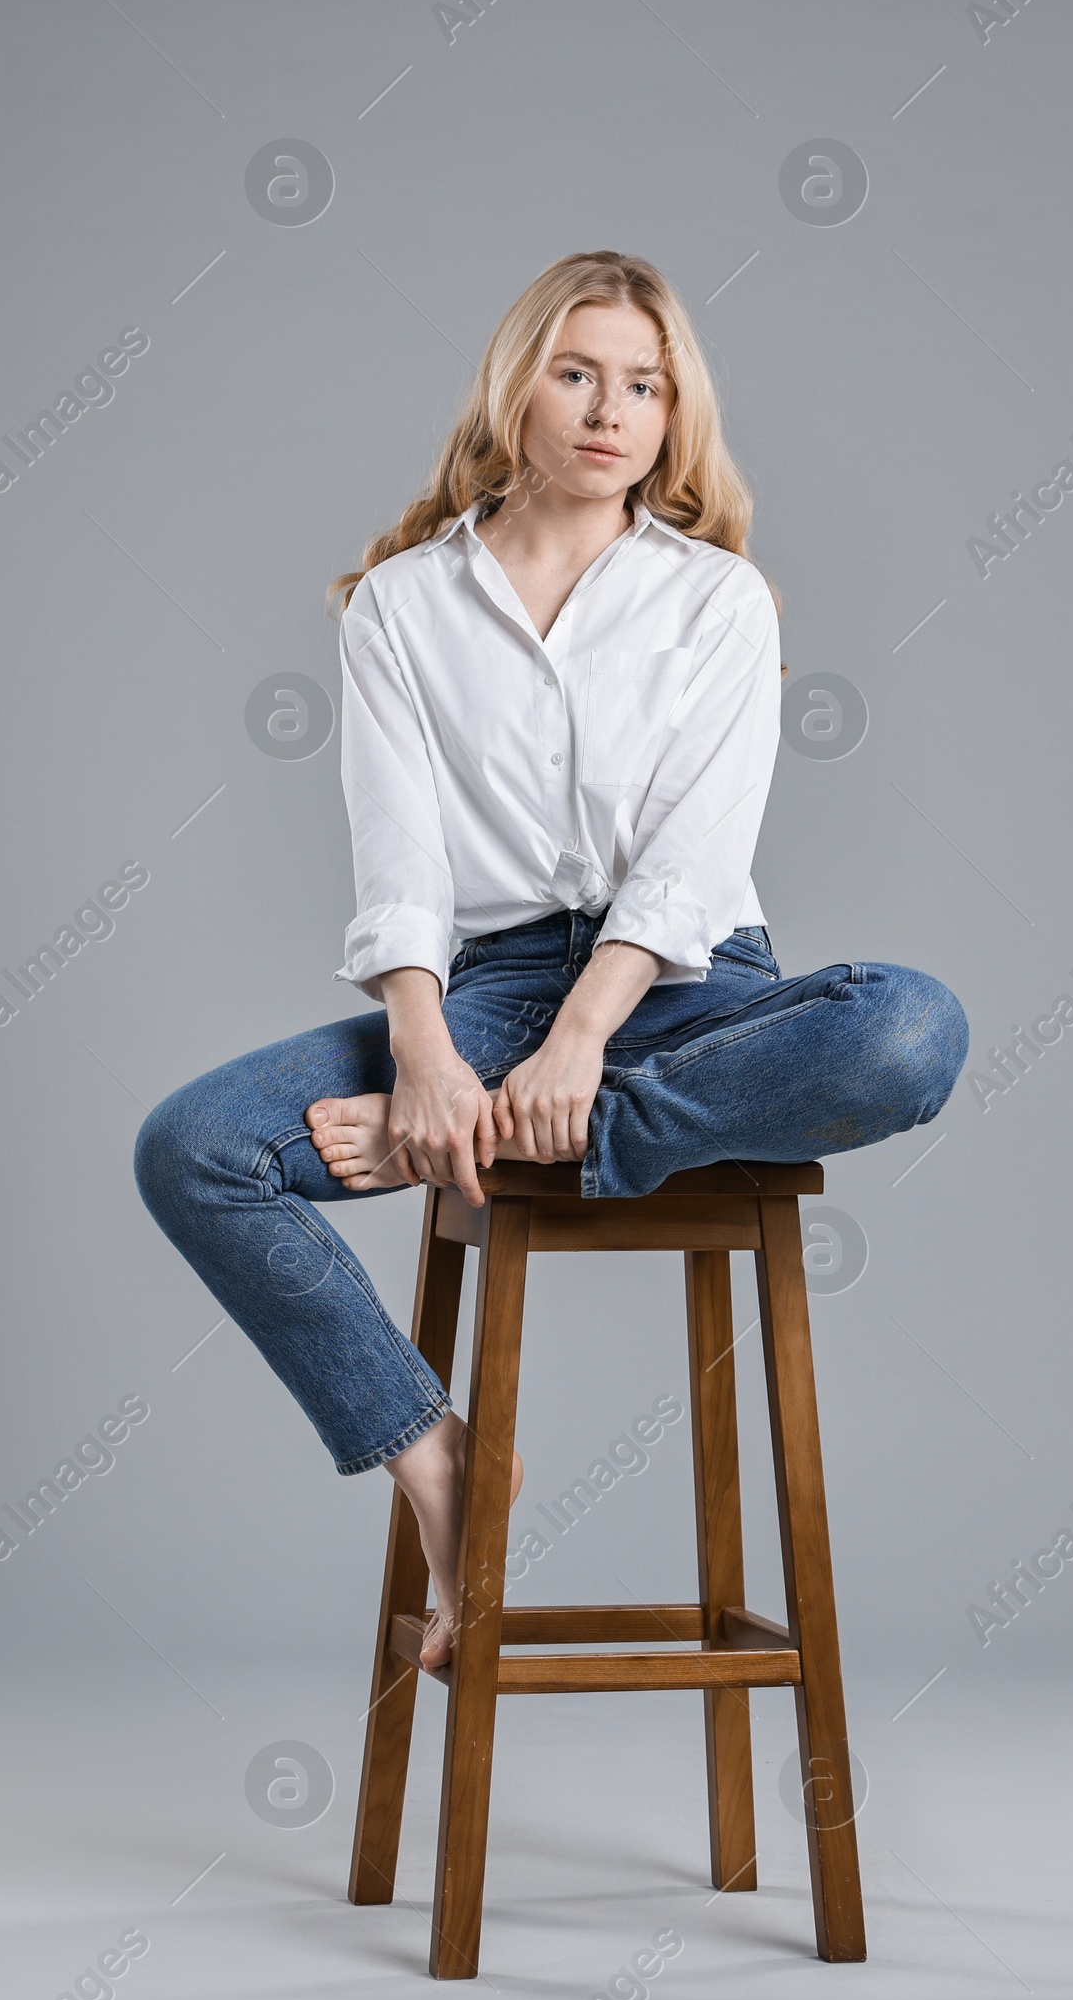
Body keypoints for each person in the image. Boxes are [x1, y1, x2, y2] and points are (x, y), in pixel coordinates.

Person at [134, 249, 968, 1670]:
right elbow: (398, 863)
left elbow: (693, 862)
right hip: (490, 989)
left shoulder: (715, 600)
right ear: (516, 386)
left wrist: (569, 1060)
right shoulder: (403, 604)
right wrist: (426, 1056)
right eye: (578, 372)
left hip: (697, 990)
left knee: (909, 1028)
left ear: (673, 415)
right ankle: (438, 1452)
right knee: (194, 1147)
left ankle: (506, 1141)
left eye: (645, 385)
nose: (610, 410)